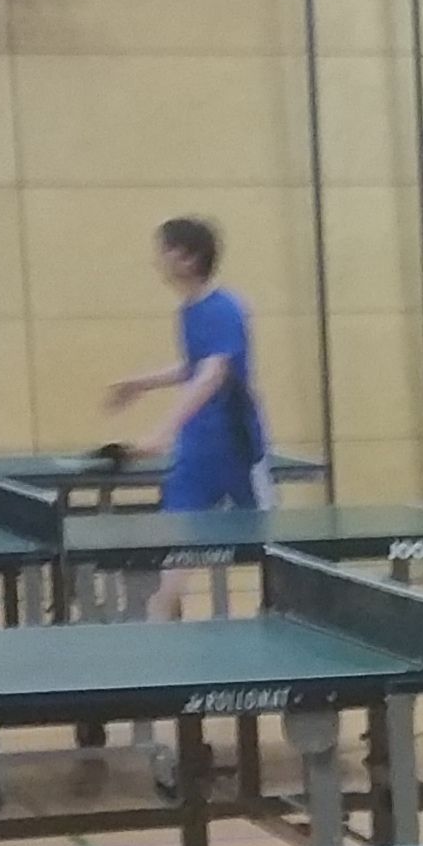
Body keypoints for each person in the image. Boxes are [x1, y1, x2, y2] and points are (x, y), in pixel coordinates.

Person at [102, 216, 275, 611]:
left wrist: (162, 430)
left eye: (163, 251)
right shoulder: (188, 311)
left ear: (188, 258)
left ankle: (285, 616)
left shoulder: (226, 308)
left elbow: (213, 374)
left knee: (271, 547)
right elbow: (194, 368)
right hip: (197, 446)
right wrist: (140, 383)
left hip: (238, 447)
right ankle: (160, 620)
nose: (157, 260)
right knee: (178, 542)